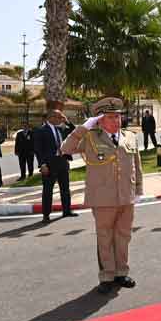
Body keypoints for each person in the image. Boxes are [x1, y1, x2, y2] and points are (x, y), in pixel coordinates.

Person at [61, 97, 143, 295]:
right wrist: (83, 128)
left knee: (123, 236)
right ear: (100, 120)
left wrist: (138, 190)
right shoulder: (90, 138)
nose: (117, 120)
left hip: (126, 196)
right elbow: (66, 148)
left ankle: (121, 272)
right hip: (103, 199)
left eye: (118, 116)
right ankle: (107, 276)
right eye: (111, 117)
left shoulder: (130, 137)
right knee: (105, 237)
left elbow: (137, 166)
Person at [33, 110, 77, 223]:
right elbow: (38, 150)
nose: (61, 119)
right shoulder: (41, 130)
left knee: (65, 188)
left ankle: (66, 211)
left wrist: (67, 121)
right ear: (51, 117)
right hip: (49, 164)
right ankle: (46, 215)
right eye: (59, 117)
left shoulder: (61, 129)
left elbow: (75, 132)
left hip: (62, 161)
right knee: (48, 190)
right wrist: (42, 164)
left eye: (62, 117)